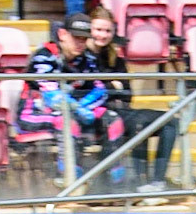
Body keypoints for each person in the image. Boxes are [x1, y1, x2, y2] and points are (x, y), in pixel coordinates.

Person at [18, 13, 125, 171]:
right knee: (67, 120)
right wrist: (77, 109)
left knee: (113, 119)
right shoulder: (44, 56)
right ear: (62, 34)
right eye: (76, 37)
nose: (80, 43)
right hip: (33, 113)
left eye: (83, 39)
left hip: (77, 111)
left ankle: (114, 181)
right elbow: (51, 96)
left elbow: (100, 90)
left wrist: (83, 106)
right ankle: (70, 179)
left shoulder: (87, 59)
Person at [88, 8, 176, 194]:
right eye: (98, 30)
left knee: (170, 121)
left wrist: (110, 87)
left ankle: (157, 181)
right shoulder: (84, 57)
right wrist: (112, 87)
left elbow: (128, 93)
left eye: (107, 31)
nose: (103, 35)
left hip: (122, 110)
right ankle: (140, 182)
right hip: (98, 115)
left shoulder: (115, 58)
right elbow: (91, 90)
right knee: (140, 123)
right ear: (89, 29)